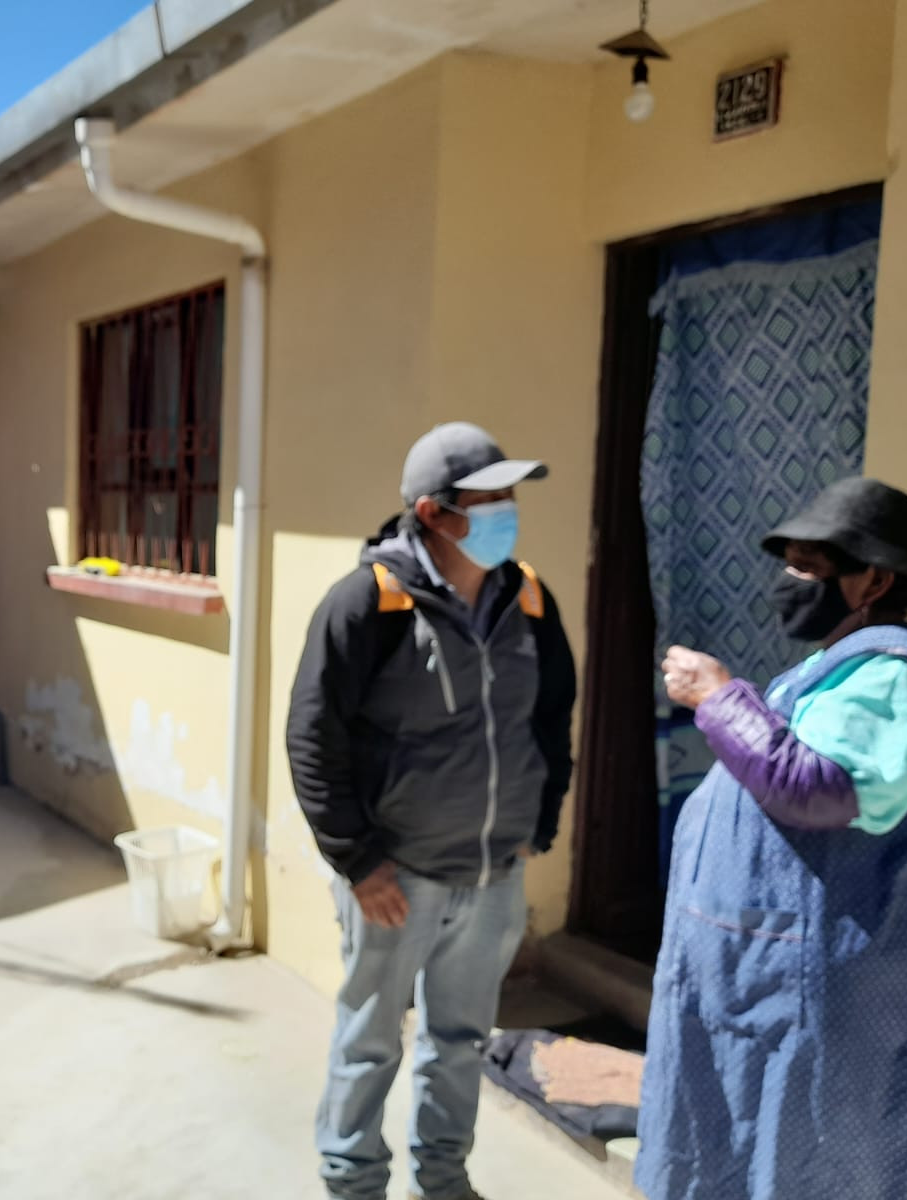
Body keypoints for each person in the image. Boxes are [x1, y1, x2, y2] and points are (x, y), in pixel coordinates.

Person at [635, 477, 907, 1200]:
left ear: (873, 579)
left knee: (795, 1166)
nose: (789, 583)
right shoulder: (840, 665)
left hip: (807, 998)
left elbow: (813, 789)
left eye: (810, 568)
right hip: (755, 978)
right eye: (789, 564)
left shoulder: (895, 676)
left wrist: (719, 697)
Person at [287, 422, 577, 1200]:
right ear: (433, 513)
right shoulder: (369, 603)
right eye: (489, 501)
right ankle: (353, 1182)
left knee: (459, 1040)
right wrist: (357, 861)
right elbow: (313, 736)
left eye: (510, 497)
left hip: (492, 873)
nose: (507, 512)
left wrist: (536, 826)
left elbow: (552, 717)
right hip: (397, 877)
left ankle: (444, 1181)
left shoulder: (531, 599)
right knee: (371, 1039)